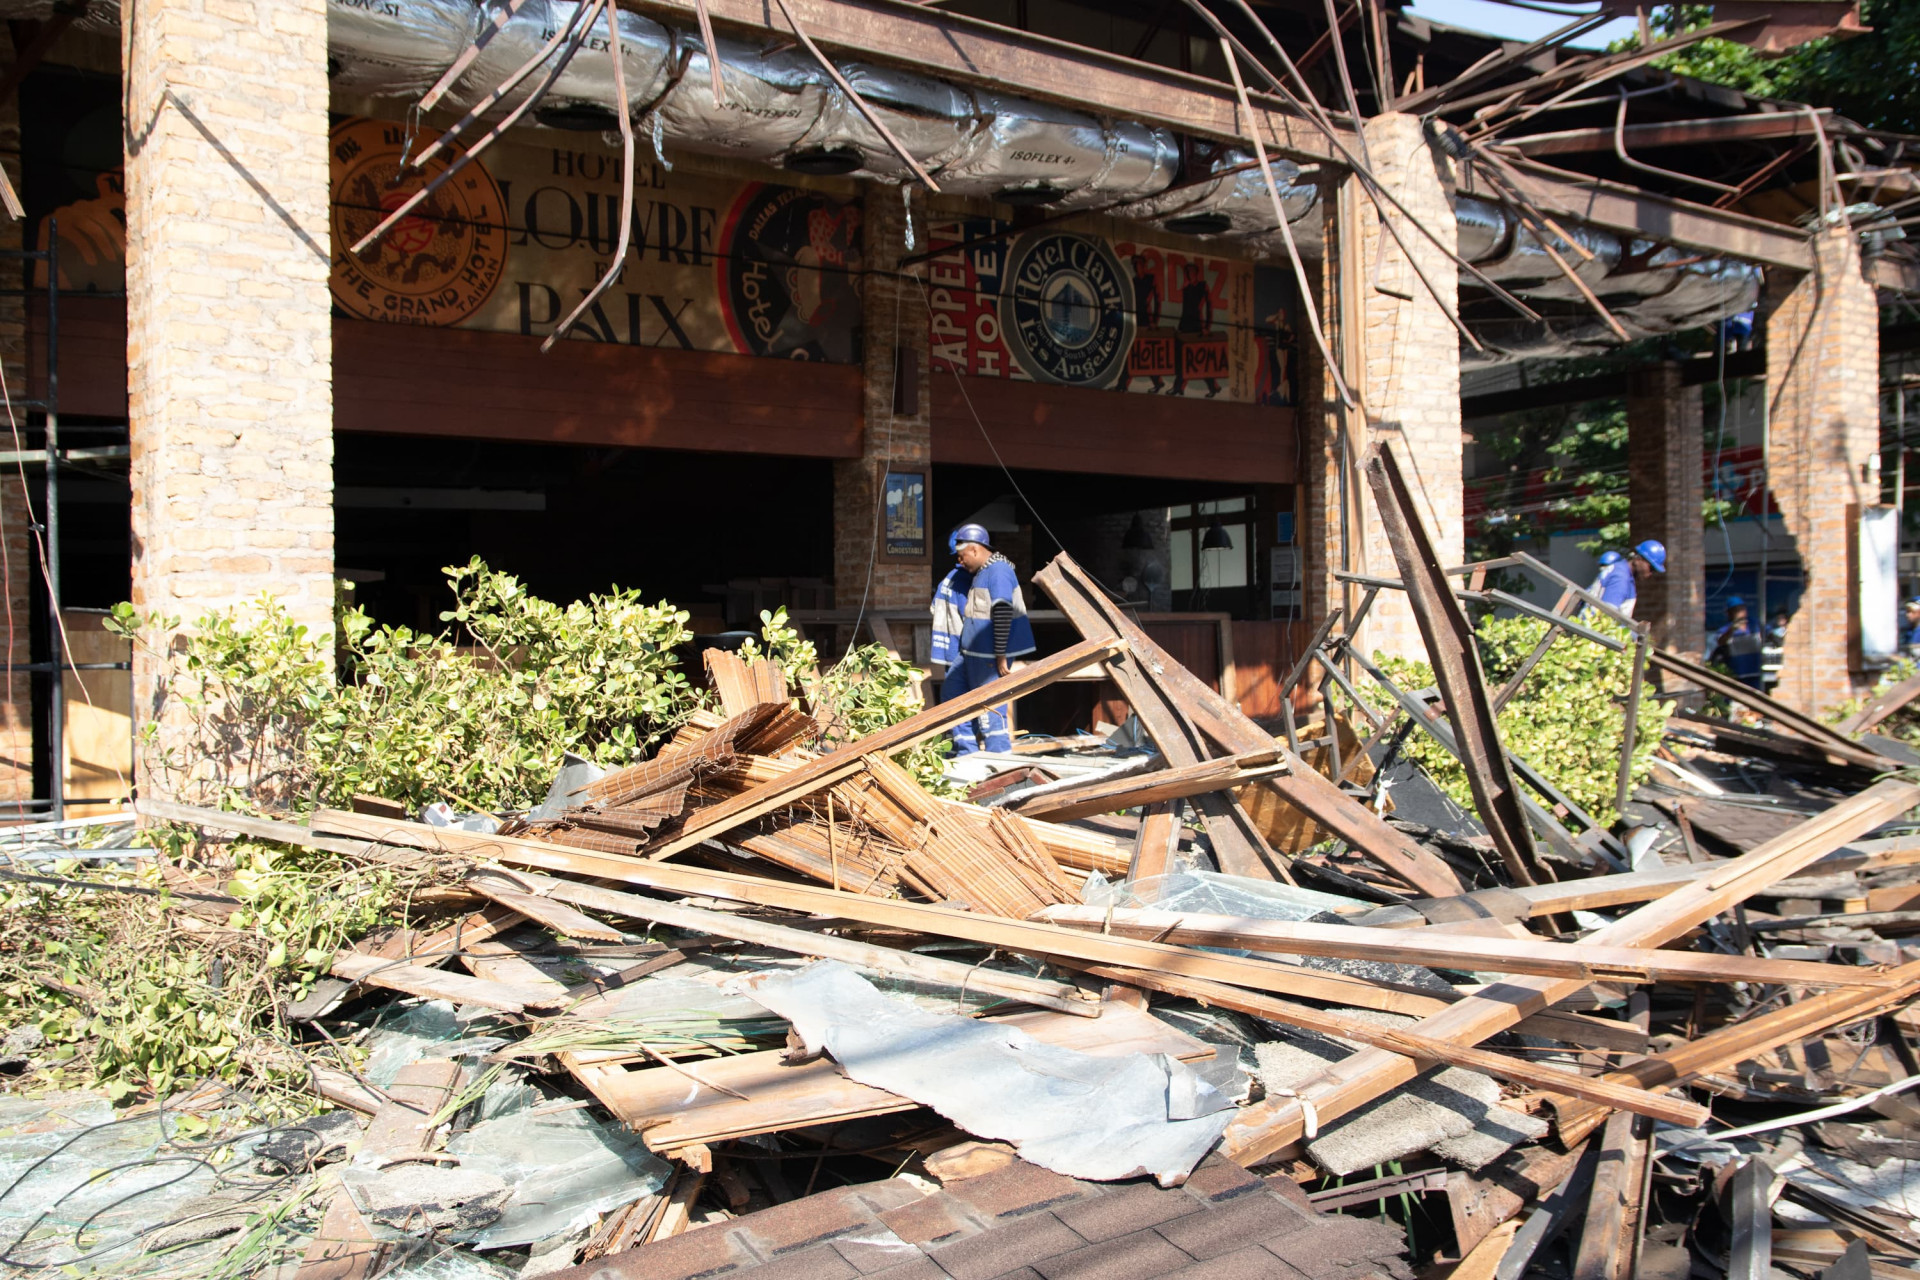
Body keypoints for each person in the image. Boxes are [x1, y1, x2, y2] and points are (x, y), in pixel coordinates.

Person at [937, 524, 1035, 755]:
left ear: (973, 550)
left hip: (989, 657)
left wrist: (1001, 655)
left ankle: (998, 755)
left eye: (962, 557)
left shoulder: (998, 572)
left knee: (990, 708)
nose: (960, 562)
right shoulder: (981, 572)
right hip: (970, 653)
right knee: (952, 696)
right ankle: (966, 752)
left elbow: (1002, 612)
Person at [1596, 539, 1666, 618]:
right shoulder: (1620, 579)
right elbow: (1605, 617)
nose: (1650, 573)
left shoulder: (1623, 572)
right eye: (1651, 568)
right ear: (1638, 559)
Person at [1709, 595, 1765, 690]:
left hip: (1755, 673)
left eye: (1742, 609)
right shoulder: (1725, 629)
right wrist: (1731, 630)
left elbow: (1770, 634)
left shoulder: (1755, 624)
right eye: (1736, 610)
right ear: (1729, 613)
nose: (1741, 613)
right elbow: (1720, 641)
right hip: (1737, 675)